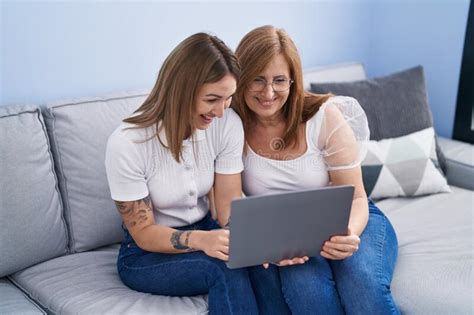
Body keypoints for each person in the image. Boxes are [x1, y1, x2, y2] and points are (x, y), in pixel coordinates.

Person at [230, 25, 400, 314]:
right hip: (285, 233)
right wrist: (270, 244)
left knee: (362, 284)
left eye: (280, 80)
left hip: (351, 217)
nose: (268, 92)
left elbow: (357, 198)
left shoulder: (324, 118)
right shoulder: (231, 125)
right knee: (305, 290)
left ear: (294, 81)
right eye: (257, 80)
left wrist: (349, 234)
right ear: (241, 79)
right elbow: (230, 206)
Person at [104, 32, 258, 315]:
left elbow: (227, 208)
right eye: (212, 99)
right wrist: (203, 241)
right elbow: (144, 234)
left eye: (228, 99)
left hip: (208, 229)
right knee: (224, 267)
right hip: (146, 254)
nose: (221, 112)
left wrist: (254, 244)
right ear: (181, 90)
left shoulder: (226, 124)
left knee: (263, 265)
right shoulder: (127, 143)